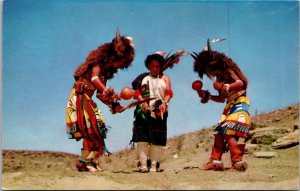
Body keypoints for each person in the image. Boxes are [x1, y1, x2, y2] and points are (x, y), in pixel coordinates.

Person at [66, 29, 135, 172]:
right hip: (80, 96)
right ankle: (87, 161)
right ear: (113, 55)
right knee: (94, 130)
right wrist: (106, 90)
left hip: (87, 99)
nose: (119, 65)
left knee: (95, 130)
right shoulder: (97, 62)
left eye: (122, 63)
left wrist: (114, 104)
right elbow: (94, 79)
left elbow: (99, 95)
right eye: (120, 60)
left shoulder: (106, 73)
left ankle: (88, 163)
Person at [191, 39, 250, 172]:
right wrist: (207, 96)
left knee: (229, 132)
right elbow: (221, 99)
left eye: (210, 69)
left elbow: (240, 83)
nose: (210, 73)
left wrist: (227, 86)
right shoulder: (218, 80)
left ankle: (237, 162)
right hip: (229, 107)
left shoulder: (228, 70)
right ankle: (215, 162)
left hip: (239, 103)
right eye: (207, 71)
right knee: (219, 132)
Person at [130, 50, 187, 173]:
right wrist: (142, 102)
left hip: (159, 111)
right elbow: (137, 92)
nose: (155, 68)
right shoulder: (143, 78)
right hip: (143, 112)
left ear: (161, 66)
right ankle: (144, 165)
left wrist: (165, 103)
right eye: (152, 66)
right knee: (143, 139)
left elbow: (169, 93)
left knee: (157, 139)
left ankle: (154, 166)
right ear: (148, 66)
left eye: (157, 66)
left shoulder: (165, 78)